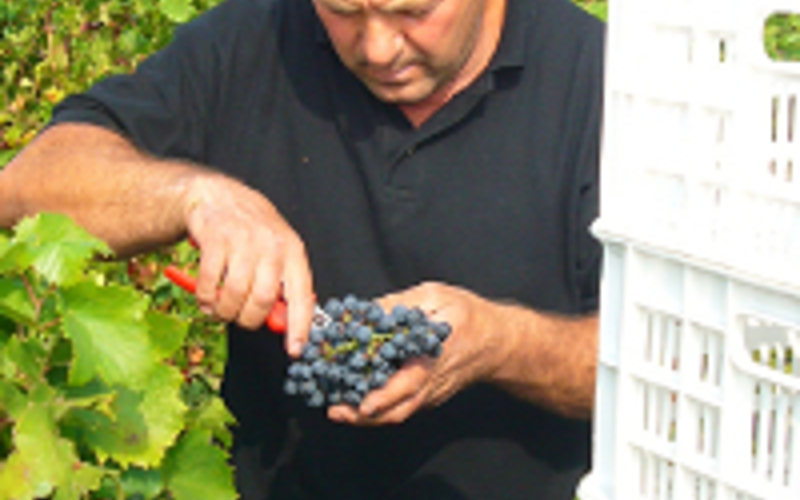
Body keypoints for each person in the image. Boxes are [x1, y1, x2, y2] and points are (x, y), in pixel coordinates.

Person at [0, 0, 604, 498]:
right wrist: (194, 195)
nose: (377, 49)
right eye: (344, 12)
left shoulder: (599, 81)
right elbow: (27, 186)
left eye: (412, 13)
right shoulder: (256, 38)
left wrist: (502, 344)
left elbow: (655, 368)